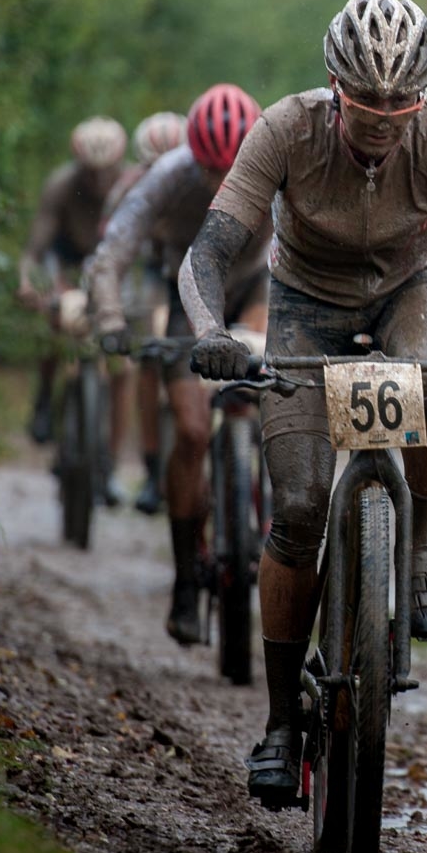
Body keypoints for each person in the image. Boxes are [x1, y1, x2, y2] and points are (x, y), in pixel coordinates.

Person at [177, 0, 427, 807]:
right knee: (301, 508)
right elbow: (208, 251)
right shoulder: (283, 129)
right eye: (365, 100)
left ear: (422, 95)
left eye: (401, 101)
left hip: (410, 290)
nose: (384, 116)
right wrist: (209, 327)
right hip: (303, 306)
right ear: (334, 87)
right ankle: (282, 723)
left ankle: (417, 548)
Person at [89, 86, 268, 644]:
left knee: (285, 411)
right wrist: (111, 319)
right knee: (190, 431)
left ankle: (268, 512)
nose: (222, 186)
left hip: (259, 287)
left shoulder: (276, 163)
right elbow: (115, 248)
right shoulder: (168, 174)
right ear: (193, 157)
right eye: (210, 172)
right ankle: (186, 580)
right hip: (189, 297)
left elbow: (298, 244)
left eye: (231, 170)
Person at [19, 116, 129, 447]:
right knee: (56, 318)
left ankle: (111, 455)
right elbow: (35, 249)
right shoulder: (60, 186)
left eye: (106, 171)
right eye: (90, 172)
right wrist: (28, 282)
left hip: (115, 268)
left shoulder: (133, 185)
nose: (98, 180)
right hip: (65, 263)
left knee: (123, 366)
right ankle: (44, 399)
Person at [102, 110, 190, 516]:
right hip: (151, 270)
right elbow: (112, 242)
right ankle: (154, 469)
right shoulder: (128, 187)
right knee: (150, 356)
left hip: (191, 266)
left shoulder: (200, 179)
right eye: (156, 168)